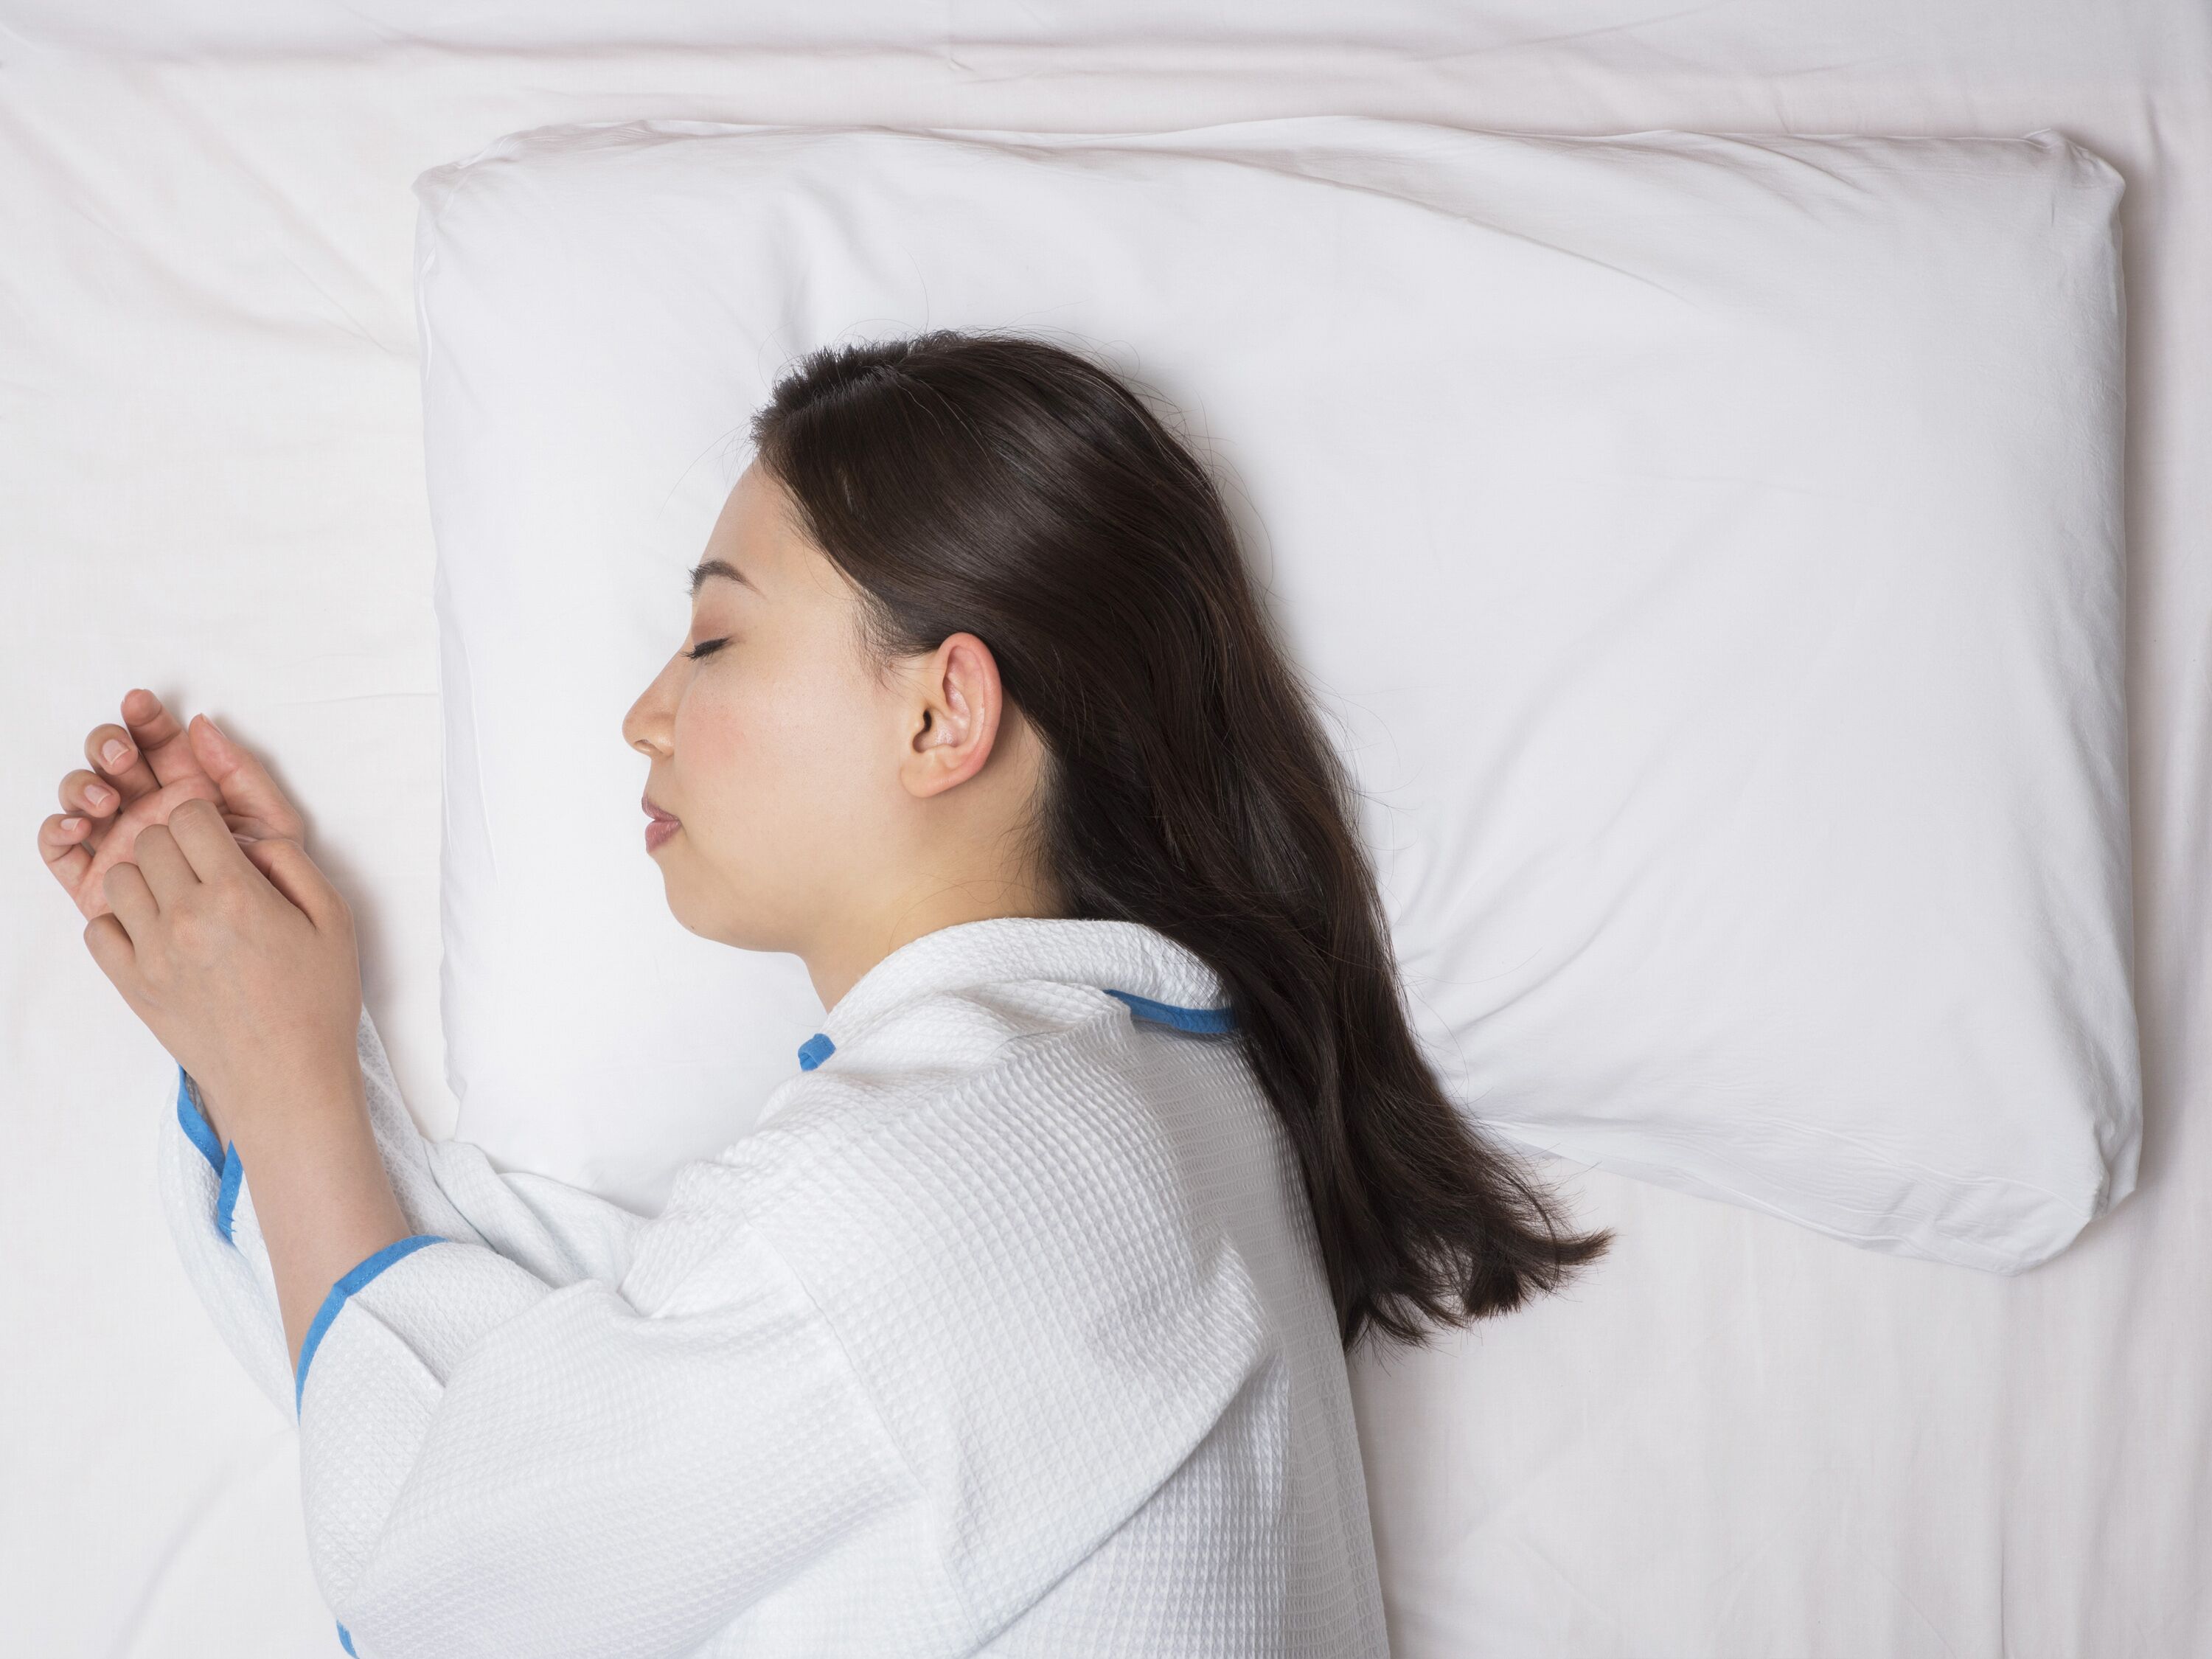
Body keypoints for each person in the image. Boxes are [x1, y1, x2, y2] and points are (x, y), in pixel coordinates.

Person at [37, 330, 1610, 1658]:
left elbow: (441, 1591)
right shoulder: (1173, 1108)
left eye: (716, 636)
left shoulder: (927, 1188)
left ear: (942, 714)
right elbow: (605, 1385)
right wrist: (268, 1029)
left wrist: (285, 1084)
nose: (645, 713)